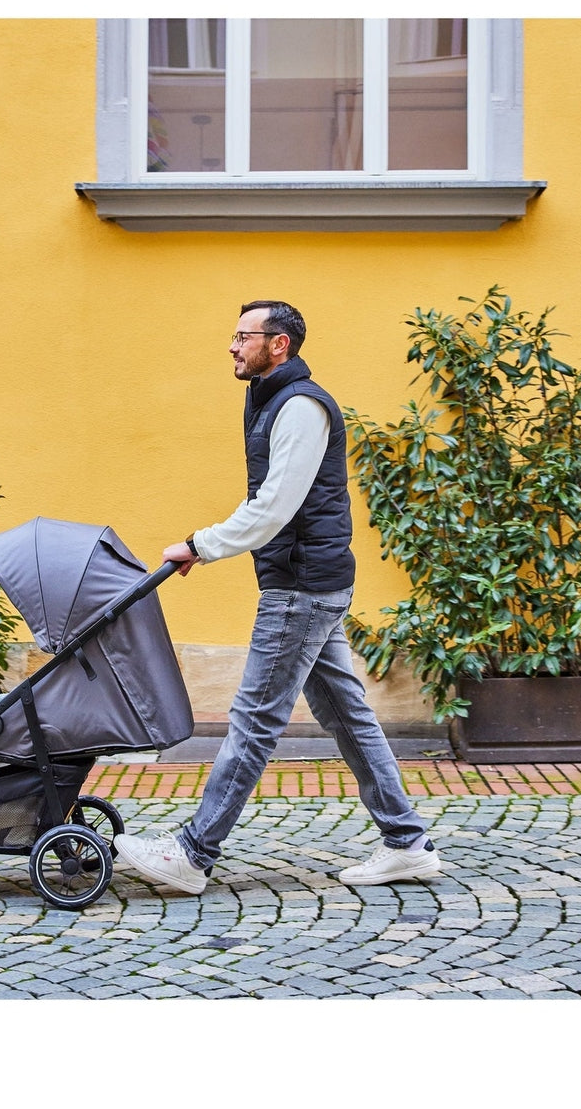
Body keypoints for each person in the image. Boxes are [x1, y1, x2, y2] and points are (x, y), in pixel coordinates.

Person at [114, 299, 440, 894]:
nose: (233, 346)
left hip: (301, 588)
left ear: (279, 344)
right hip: (310, 581)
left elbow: (274, 507)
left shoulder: (300, 407)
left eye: (244, 337)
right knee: (346, 714)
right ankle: (407, 842)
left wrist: (199, 545)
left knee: (254, 719)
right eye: (234, 336)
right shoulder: (269, 400)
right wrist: (205, 547)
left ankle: (193, 852)